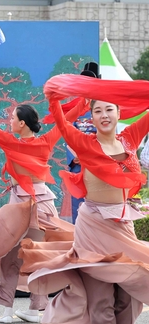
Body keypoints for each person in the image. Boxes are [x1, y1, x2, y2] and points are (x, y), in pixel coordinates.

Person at [20, 74, 149, 324]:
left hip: (122, 225)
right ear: (91, 116)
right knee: (101, 294)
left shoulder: (130, 138)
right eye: (97, 110)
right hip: (92, 225)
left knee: (129, 296)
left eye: (109, 109)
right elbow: (62, 123)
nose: (103, 115)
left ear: (119, 113)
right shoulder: (82, 140)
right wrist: (53, 95)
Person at [0, 73, 86, 324]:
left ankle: (8, 309)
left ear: (22, 124)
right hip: (43, 204)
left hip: (20, 206)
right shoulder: (46, 141)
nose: (9, 121)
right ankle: (34, 308)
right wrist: (86, 95)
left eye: (12, 118)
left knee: (11, 255)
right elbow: (69, 118)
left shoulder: (9, 142)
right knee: (38, 256)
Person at [66, 62, 100, 222]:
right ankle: (78, 240)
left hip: (97, 162)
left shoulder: (103, 107)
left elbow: (108, 134)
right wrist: (75, 157)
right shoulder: (76, 108)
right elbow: (68, 133)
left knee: (98, 204)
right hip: (78, 162)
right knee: (78, 205)